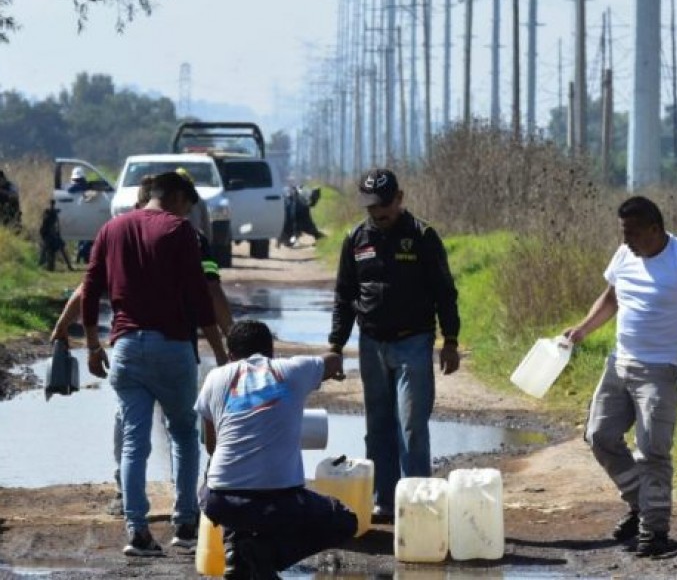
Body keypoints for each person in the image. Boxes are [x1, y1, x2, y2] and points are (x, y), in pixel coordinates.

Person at [51, 176, 233, 517]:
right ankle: (185, 520)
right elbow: (203, 295)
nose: (188, 215)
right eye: (188, 208)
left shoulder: (112, 229)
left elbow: (88, 288)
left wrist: (87, 342)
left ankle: (134, 524)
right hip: (174, 347)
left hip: (125, 348)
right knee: (182, 434)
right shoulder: (185, 233)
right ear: (177, 198)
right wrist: (224, 352)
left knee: (133, 436)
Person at [564, 196, 677, 558]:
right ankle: (641, 505)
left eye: (633, 233)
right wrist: (583, 330)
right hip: (620, 364)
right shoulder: (625, 255)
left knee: (653, 450)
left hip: (661, 371)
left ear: (655, 229)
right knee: (599, 436)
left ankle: (655, 530)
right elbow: (610, 299)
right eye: (624, 233)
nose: (627, 240)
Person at [328, 168, 461, 521]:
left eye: (384, 206)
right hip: (371, 344)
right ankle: (384, 501)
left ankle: (418, 503)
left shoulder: (422, 236)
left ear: (399, 198)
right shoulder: (355, 239)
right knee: (378, 426)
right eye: (372, 207)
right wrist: (335, 346)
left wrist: (450, 339)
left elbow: (444, 291)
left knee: (411, 425)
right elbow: (344, 296)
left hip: (413, 342)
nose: (378, 213)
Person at [196, 319, 357, 579]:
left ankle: (236, 555)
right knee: (345, 520)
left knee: (218, 474)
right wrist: (333, 368)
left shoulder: (215, 378)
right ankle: (266, 553)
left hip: (219, 501)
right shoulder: (291, 369)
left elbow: (212, 445)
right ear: (271, 351)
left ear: (230, 356)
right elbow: (333, 360)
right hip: (280, 500)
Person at [38, 200, 74, 271]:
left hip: (51, 236)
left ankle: (69, 266)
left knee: (50, 250)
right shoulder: (48, 217)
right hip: (49, 236)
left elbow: (54, 227)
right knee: (48, 250)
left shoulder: (49, 215)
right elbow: (47, 229)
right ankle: (69, 266)